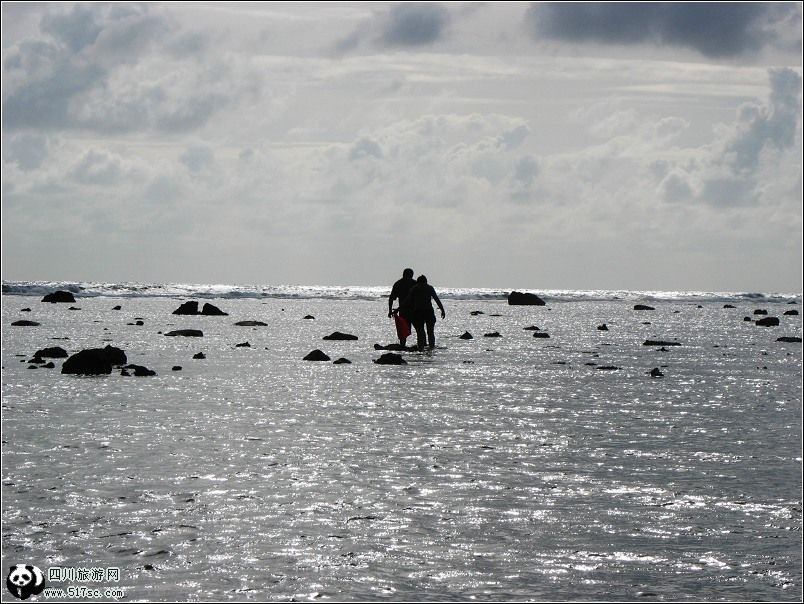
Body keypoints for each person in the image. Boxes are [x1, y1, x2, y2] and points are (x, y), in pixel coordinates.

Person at [404, 275, 445, 351]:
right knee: (430, 332)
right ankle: (431, 348)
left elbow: (407, 300)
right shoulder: (429, 288)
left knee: (420, 332)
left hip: (418, 312)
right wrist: (442, 310)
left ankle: (421, 349)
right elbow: (436, 299)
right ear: (426, 281)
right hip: (428, 311)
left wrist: (398, 309)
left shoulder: (414, 288)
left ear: (418, 282)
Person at [388, 268, 416, 346]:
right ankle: (422, 346)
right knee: (419, 329)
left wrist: (390, 310)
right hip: (414, 310)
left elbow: (391, 298)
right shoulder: (414, 283)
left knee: (403, 330)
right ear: (411, 275)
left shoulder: (398, 284)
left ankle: (402, 346)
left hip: (403, 311)